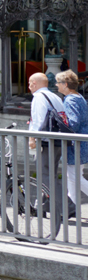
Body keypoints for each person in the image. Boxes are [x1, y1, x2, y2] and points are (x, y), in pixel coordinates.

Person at [27, 71, 70, 226]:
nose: (29, 85)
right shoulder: (55, 96)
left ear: (37, 84)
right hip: (57, 140)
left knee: (45, 175)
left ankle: (67, 206)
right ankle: (44, 206)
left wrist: (32, 139)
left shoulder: (38, 98)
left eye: (31, 82)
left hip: (46, 141)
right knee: (49, 173)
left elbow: (38, 121)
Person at [57, 70, 88, 206]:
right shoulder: (79, 97)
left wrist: (59, 121)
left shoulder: (70, 100)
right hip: (81, 142)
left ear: (65, 84)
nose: (57, 85)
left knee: (74, 176)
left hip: (75, 144)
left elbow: (73, 123)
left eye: (58, 83)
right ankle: (71, 207)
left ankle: (71, 207)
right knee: (73, 176)